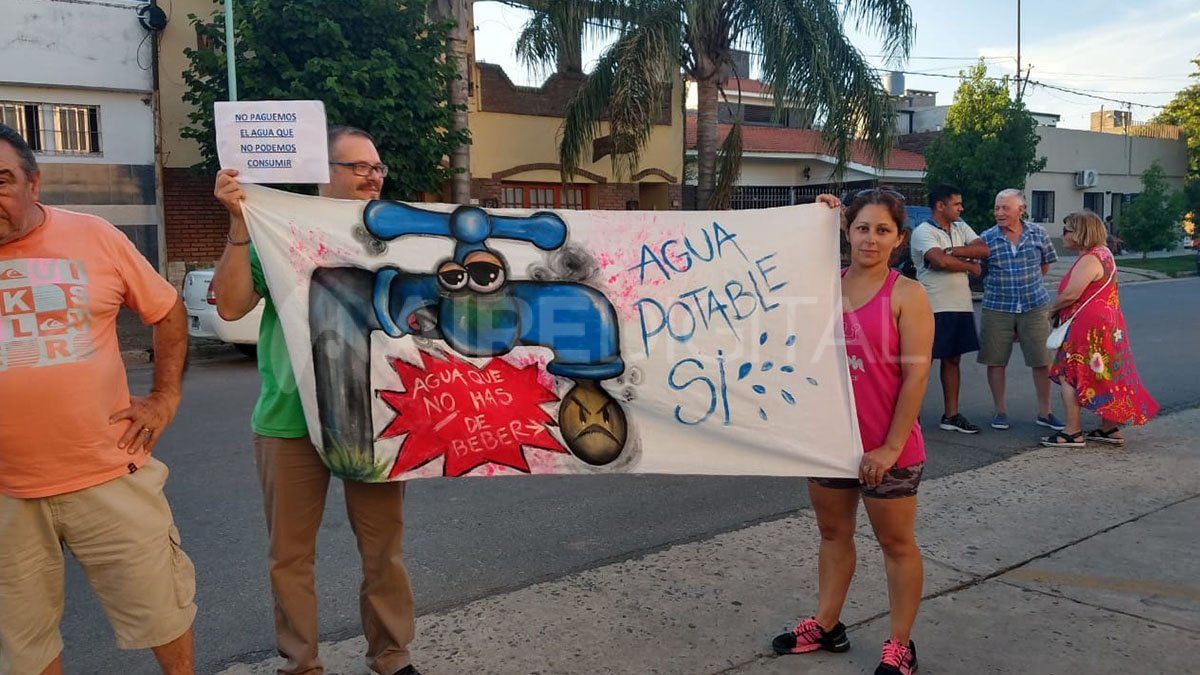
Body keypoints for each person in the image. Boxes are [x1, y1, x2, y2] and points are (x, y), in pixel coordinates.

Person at [212, 126, 419, 675]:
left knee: (383, 550)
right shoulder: (280, 231)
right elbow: (230, 307)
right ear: (323, 172)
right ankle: (300, 663)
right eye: (359, 167)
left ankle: (392, 656)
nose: (373, 176)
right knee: (290, 556)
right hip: (289, 416)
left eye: (377, 167)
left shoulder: (397, 234)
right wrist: (238, 222)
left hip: (373, 416)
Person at [0, 124, 195, 674]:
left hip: (108, 473)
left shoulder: (95, 236)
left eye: (3, 180)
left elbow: (167, 310)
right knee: (23, 644)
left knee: (164, 611)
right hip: (6, 494)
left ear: (33, 184)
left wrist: (164, 395)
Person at [774, 190, 933, 675]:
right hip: (829, 444)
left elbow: (916, 376)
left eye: (883, 230)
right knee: (833, 534)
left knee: (897, 544)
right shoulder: (823, 286)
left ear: (899, 239)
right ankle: (827, 624)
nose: (870, 238)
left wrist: (888, 447)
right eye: (862, 227)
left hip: (890, 447)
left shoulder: (907, 295)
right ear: (847, 232)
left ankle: (901, 645)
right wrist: (813, 218)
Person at [1041, 210, 1158, 447]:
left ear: (1081, 233)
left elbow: (1072, 294)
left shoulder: (1090, 259)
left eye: (1067, 230)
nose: (1062, 235)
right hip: (1108, 323)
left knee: (1069, 374)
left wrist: (1051, 310)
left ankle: (1072, 431)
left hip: (1087, 325)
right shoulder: (1105, 254)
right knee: (1104, 372)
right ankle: (1108, 427)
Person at [976, 189, 1064, 432]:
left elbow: (1044, 266)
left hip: (1034, 305)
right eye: (997, 208)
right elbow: (981, 271)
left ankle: (1045, 412)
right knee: (995, 361)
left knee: (1042, 360)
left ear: (1020, 210)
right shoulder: (987, 238)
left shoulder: (1039, 234)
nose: (1000, 213)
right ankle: (1000, 411)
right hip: (997, 307)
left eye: (1005, 208)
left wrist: (1026, 289)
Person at [909, 184, 987, 434]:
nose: (961, 208)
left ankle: (951, 415)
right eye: (956, 204)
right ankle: (909, 417)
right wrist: (969, 265)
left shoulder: (960, 227)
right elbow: (938, 260)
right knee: (922, 363)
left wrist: (953, 251)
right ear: (940, 206)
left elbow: (983, 249)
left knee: (953, 360)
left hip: (960, 305)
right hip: (933, 306)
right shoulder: (923, 232)